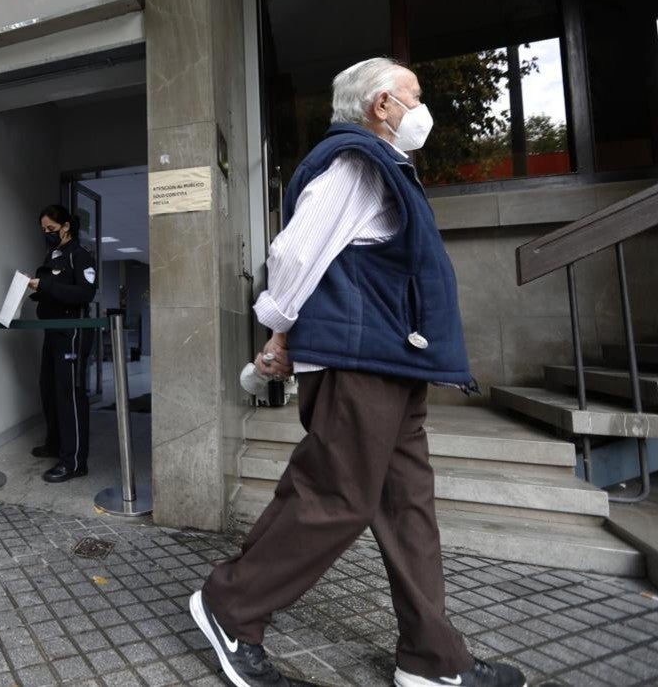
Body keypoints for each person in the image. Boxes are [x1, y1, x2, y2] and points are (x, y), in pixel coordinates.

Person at [189, 58, 528, 687]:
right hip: (357, 362)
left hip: (392, 361)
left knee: (407, 507)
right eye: (414, 96)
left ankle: (432, 661)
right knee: (335, 498)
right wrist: (279, 325)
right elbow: (294, 253)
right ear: (381, 105)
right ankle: (229, 606)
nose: (422, 108)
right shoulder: (356, 164)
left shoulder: (386, 167)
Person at [28, 204, 97, 483]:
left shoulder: (81, 256)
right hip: (53, 331)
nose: (47, 234)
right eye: (44, 230)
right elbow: (54, 291)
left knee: (70, 395)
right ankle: (55, 443)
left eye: (51, 229)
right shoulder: (53, 254)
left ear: (66, 226)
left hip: (73, 332)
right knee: (49, 389)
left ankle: (75, 461)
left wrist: (44, 286)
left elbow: (84, 293)